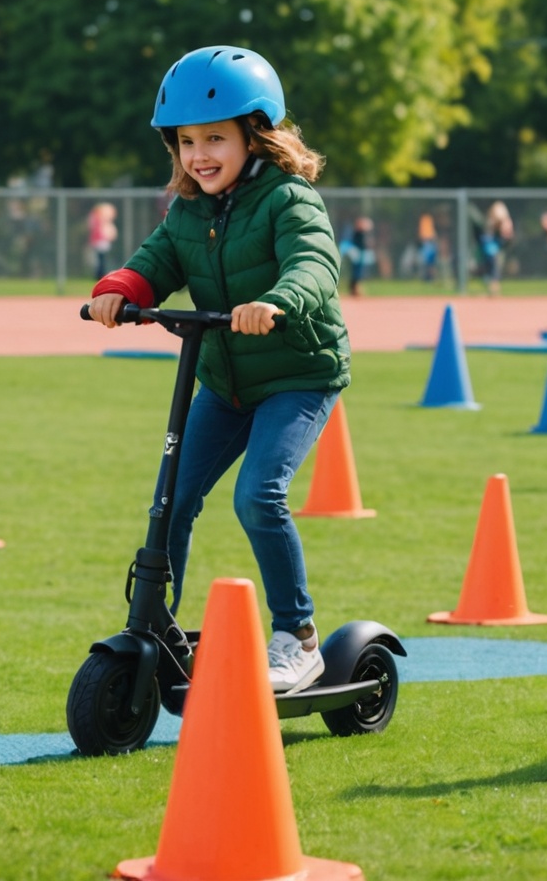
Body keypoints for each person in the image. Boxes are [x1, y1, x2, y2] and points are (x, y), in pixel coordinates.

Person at [87, 45, 352, 692]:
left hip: (295, 374)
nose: (199, 155)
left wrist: (277, 303)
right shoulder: (188, 212)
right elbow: (156, 263)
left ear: (254, 135)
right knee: (170, 501)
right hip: (225, 382)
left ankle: (298, 636)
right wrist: (122, 289)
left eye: (215, 138)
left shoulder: (289, 200)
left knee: (259, 494)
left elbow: (313, 266)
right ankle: (154, 631)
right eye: (186, 142)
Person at [481, 200, 515, 297]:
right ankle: (492, 289)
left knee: (495, 268)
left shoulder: (506, 222)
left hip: (499, 248)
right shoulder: (491, 222)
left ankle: (495, 289)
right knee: (490, 267)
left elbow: (508, 238)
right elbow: (487, 235)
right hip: (491, 250)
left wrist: (504, 228)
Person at [86, 201, 120, 278]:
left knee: (102, 259)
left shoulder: (103, 222)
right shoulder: (96, 220)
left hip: (103, 242)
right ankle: (99, 275)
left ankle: (102, 274)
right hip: (99, 242)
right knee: (99, 260)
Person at [344, 215, 376, 297]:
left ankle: (356, 288)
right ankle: (355, 288)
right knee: (357, 271)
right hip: (357, 253)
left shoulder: (364, 234)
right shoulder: (358, 233)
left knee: (360, 271)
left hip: (362, 253)